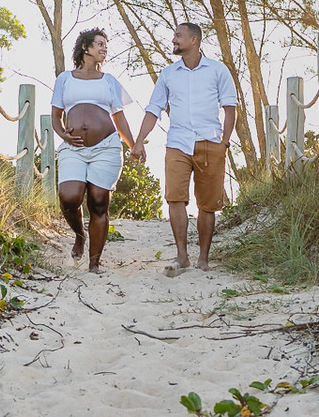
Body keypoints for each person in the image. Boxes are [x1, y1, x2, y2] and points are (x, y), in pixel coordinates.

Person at [134, 22, 237, 272]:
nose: (173, 40)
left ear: (194, 40)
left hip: (210, 142)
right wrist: (138, 141)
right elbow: (154, 109)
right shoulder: (169, 74)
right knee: (174, 198)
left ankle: (203, 258)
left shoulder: (217, 70)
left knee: (208, 204)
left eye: (178, 36)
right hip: (178, 143)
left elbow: (230, 108)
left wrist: (224, 142)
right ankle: (182, 256)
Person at [51, 28, 145, 273]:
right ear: (85, 47)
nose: (104, 48)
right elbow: (56, 115)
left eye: (106, 45)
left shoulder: (109, 81)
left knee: (99, 203)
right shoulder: (65, 79)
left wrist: (134, 145)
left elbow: (119, 118)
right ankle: (80, 235)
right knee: (69, 197)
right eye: (100, 44)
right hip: (73, 148)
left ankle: (94, 262)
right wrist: (63, 135)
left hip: (106, 147)